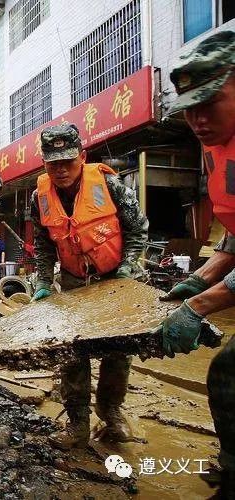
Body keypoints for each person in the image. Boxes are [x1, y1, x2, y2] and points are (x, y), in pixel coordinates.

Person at [30, 123, 148, 450]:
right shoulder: (39, 196)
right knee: (72, 353)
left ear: (82, 156)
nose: (61, 170)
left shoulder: (110, 184)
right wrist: (42, 280)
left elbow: (138, 232)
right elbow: (42, 243)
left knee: (118, 350)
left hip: (114, 279)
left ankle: (110, 411)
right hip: (72, 281)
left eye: (67, 161)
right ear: (44, 162)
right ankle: (78, 424)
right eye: (53, 163)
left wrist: (128, 269)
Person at [157, 30, 235, 496]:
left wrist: (202, 305)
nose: (197, 118)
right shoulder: (216, 146)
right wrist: (202, 275)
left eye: (209, 102)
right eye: (189, 106)